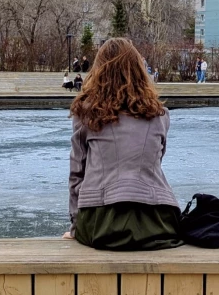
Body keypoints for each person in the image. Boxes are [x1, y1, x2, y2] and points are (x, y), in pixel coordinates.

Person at [64, 37, 182, 250]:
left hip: (100, 222)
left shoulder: (87, 112)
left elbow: (77, 173)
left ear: (99, 70)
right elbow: (156, 160)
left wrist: (76, 225)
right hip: (157, 221)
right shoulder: (159, 114)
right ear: (139, 70)